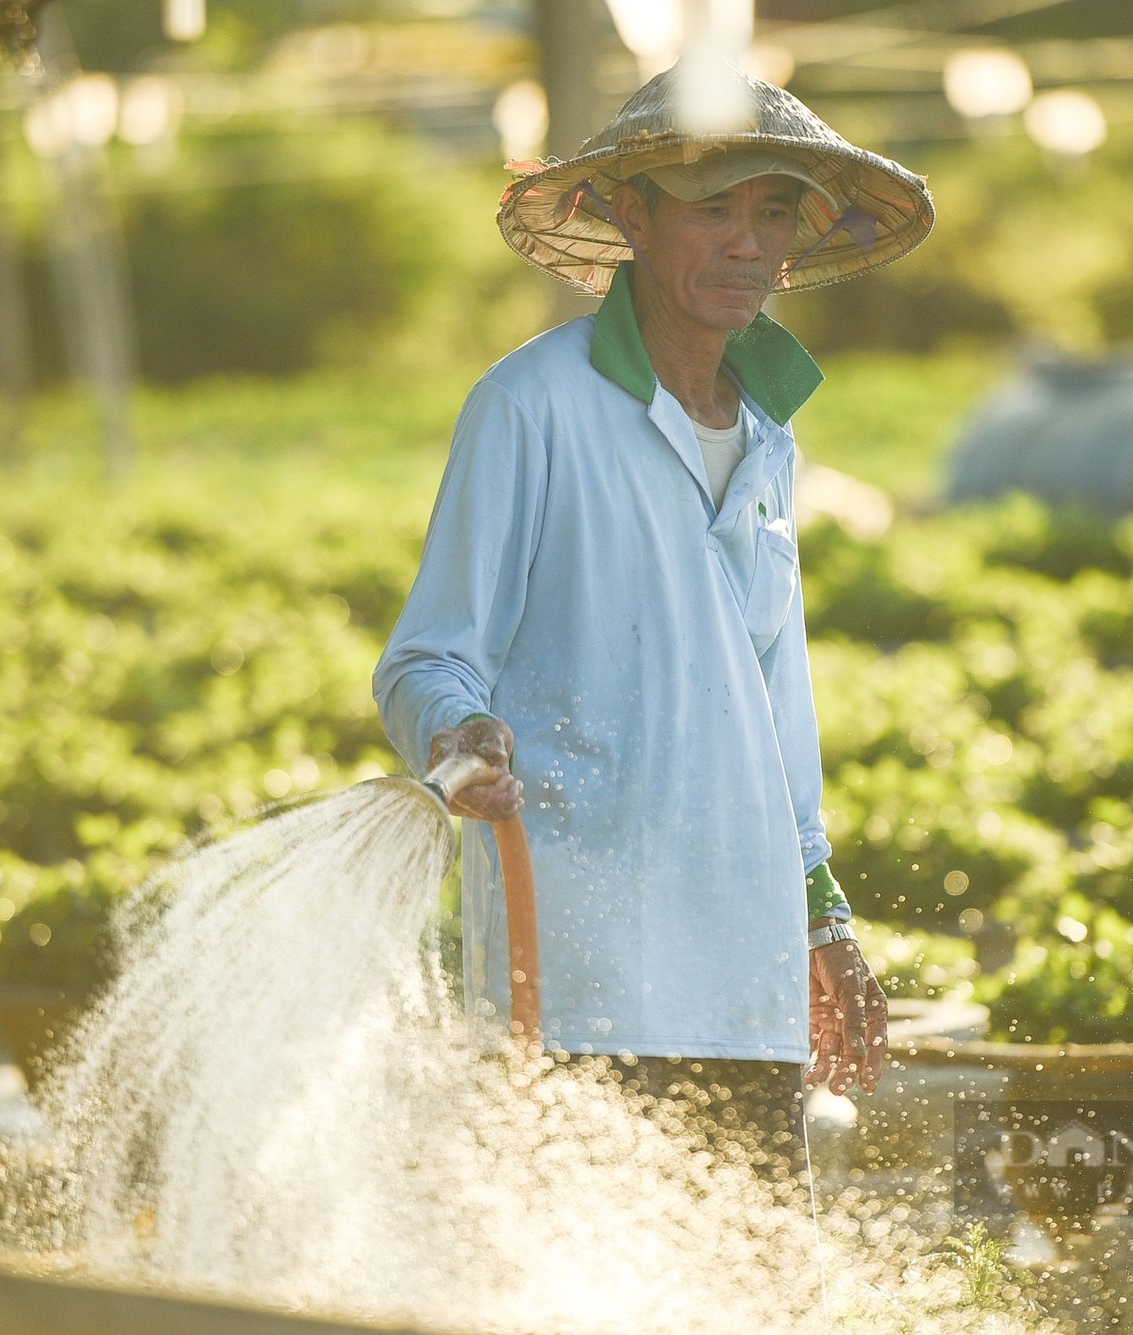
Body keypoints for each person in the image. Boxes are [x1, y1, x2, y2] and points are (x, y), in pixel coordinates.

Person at [373, 62, 933, 1192]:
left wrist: (821, 916)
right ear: (631, 212)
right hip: (586, 964)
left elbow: (776, 704)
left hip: (743, 963)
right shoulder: (533, 407)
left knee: (755, 1289)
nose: (746, 242)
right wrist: (460, 738)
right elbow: (427, 657)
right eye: (711, 207)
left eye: (771, 210)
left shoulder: (769, 437)